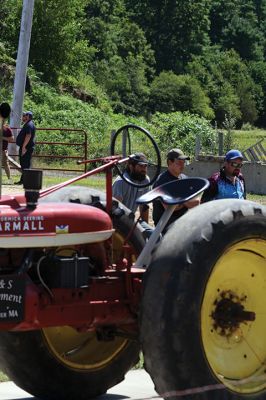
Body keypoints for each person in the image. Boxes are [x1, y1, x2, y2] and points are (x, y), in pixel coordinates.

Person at [152, 148, 200, 231]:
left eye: (183, 162)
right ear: (170, 162)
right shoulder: (162, 181)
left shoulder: (185, 179)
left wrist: (179, 199)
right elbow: (170, 207)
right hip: (165, 228)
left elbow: (196, 202)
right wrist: (186, 200)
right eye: (179, 162)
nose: (182, 165)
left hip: (183, 225)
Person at [112, 152, 153, 238]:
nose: (144, 169)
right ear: (131, 166)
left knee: (153, 235)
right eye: (140, 166)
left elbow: (144, 206)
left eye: (145, 166)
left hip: (132, 221)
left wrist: (146, 225)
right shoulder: (121, 182)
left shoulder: (146, 181)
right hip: (120, 222)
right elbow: (115, 209)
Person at [15, 111, 36, 185]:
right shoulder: (28, 124)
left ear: (28, 116)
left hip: (26, 148)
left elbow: (28, 136)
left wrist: (24, 147)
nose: (23, 117)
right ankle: (23, 180)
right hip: (27, 147)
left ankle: (26, 181)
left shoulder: (29, 125)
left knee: (25, 164)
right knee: (24, 164)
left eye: (24, 115)